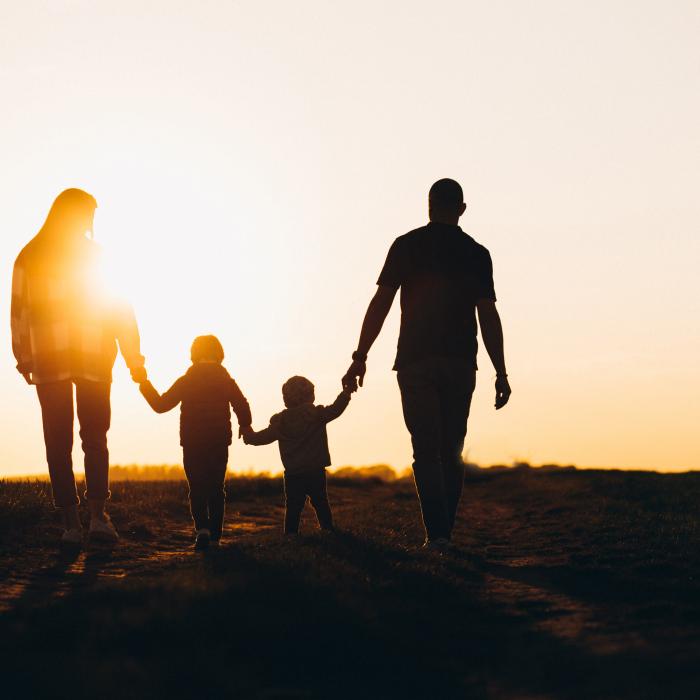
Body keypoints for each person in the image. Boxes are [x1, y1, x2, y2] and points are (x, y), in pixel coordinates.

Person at [342, 178, 511, 550]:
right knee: (451, 450)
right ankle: (443, 533)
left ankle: (437, 535)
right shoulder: (477, 253)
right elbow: (488, 316)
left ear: (429, 205)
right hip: (461, 362)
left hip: (415, 360)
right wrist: (500, 371)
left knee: (426, 451)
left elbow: (381, 303)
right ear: (462, 209)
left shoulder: (407, 245)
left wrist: (360, 356)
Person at [11, 188, 146, 547]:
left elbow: (119, 310)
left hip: (73, 357)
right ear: (73, 214)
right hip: (85, 356)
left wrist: (23, 354)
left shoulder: (31, 254)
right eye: (88, 214)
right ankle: (91, 520)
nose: (91, 222)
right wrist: (133, 358)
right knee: (89, 438)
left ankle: (80, 523)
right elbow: (20, 309)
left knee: (63, 440)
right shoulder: (44, 256)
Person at [137, 335, 252, 551]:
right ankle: (216, 536)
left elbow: (161, 405)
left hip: (192, 441)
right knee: (217, 488)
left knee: (197, 487)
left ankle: (202, 531)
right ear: (220, 355)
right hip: (218, 440)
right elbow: (242, 405)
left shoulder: (186, 381)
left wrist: (144, 384)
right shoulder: (226, 381)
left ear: (194, 355)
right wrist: (245, 426)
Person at [243, 376, 351, 535]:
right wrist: (346, 393)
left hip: (293, 473)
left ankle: (291, 535)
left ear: (286, 398)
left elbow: (263, 438)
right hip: (315, 470)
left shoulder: (280, 422)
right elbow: (336, 409)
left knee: (293, 507)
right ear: (310, 396)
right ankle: (327, 530)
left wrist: (249, 435)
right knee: (320, 502)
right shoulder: (316, 414)